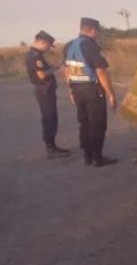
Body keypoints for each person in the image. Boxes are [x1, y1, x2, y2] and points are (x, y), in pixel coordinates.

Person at [63, 17, 118, 167]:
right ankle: (97, 157)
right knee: (97, 123)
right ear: (93, 30)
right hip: (92, 90)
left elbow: (67, 69)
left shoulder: (69, 46)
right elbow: (100, 72)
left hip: (77, 89)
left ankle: (87, 156)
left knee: (84, 123)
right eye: (97, 32)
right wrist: (111, 94)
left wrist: (70, 91)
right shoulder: (89, 45)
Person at [26, 30, 70, 158]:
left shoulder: (34, 54)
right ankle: (51, 148)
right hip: (44, 91)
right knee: (49, 119)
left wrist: (53, 67)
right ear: (42, 42)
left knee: (49, 118)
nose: (48, 49)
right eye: (48, 45)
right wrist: (55, 69)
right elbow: (42, 75)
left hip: (44, 91)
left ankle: (52, 146)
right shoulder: (35, 56)